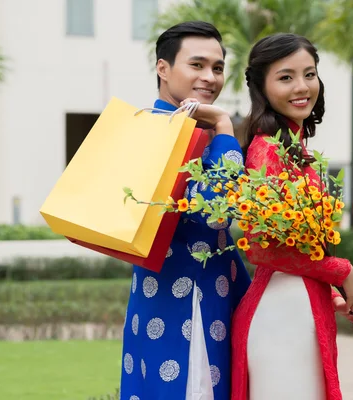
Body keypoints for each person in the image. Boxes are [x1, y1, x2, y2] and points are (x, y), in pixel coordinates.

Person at [230, 33, 353, 400]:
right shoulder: (267, 149)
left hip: (299, 308)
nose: (302, 86)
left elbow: (298, 248)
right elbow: (260, 249)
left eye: (309, 74)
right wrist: (341, 271)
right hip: (281, 318)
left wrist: (338, 296)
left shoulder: (294, 147)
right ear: (262, 86)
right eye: (286, 77)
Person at [120, 21, 252, 400]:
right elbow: (219, 211)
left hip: (207, 298)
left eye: (217, 67)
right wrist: (225, 125)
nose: (209, 77)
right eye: (196, 65)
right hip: (184, 308)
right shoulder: (159, 133)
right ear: (163, 69)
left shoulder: (196, 132)